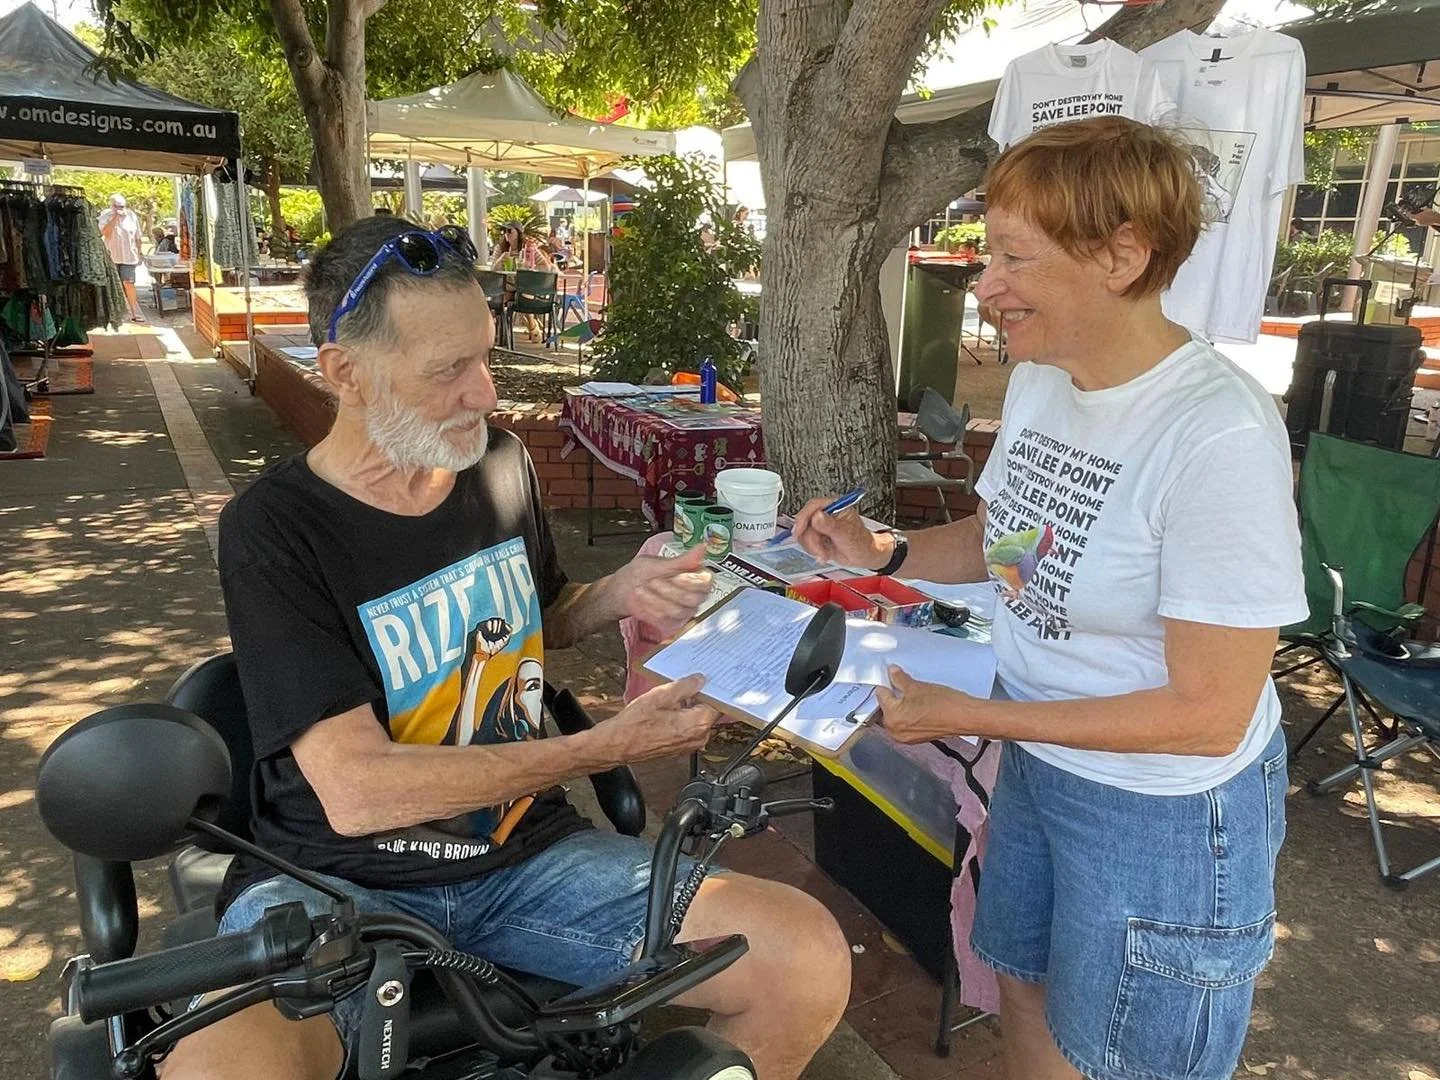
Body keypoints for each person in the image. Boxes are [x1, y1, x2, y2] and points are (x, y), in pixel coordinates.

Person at [159, 216, 850, 1080]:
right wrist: (601, 748)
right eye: (450, 370)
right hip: (338, 880)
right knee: (219, 1066)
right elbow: (358, 793)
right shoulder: (274, 530)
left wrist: (622, 592)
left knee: (805, 956)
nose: (485, 393)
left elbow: (543, 613)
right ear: (346, 374)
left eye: (484, 355)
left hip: (525, 857)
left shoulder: (499, 465)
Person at [792, 116, 1304, 1080]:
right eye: (990, 252)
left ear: (1121, 256)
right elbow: (1007, 546)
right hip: (1041, 756)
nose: (983, 285)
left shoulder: (1217, 435)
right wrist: (886, 550)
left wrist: (971, 714)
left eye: (1014, 257)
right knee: (1020, 977)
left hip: (1163, 814)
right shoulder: (1042, 383)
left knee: (1132, 1058)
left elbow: (1207, 713)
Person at [98, 194, 145, 322]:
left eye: (122, 206)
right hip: (111, 257)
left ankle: (134, 311)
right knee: (113, 285)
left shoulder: (131, 216)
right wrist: (114, 218)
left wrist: (140, 253)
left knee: (128, 283)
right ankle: (114, 313)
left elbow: (138, 237)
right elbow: (104, 233)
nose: (120, 209)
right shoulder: (105, 215)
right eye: (117, 206)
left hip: (129, 256)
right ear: (111, 206)